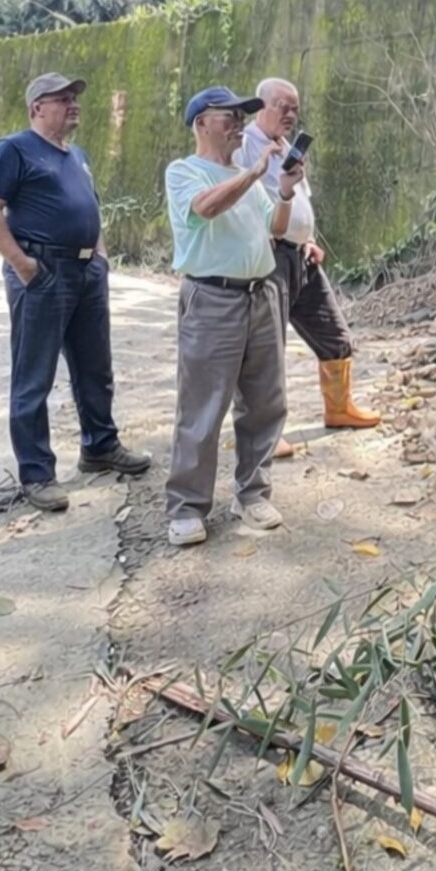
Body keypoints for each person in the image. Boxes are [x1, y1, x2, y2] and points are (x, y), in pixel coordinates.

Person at [0, 72, 150, 511]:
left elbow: (91, 206)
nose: (74, 104)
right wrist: (23, 264)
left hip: (87, 270)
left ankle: (100, 447)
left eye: (75, 98)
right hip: (43, 271)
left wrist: (101, 258)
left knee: (96, 367)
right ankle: (37, 474)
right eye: (62, 99)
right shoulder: (13, 149)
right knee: (34, 376)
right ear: (37, 107)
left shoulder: (78, 155)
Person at [162, 85, 306, 548]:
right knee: (202, 408)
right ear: (202, 122)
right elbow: (205, 209)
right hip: (212, 300)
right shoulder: (184, 172)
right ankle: (187, 507)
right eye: (231, 116)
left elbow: (276, 227)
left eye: (243, 115)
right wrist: (253, 175)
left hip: (261, 294)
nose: (240, 123)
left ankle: (252, 493)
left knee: (266, 402)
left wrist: (283, 190)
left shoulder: (245, 175)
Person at [241, 78, 381, 458]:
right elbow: (243, 202)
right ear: (261, 106)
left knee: (334, 333)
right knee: (267, 350)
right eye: (282, 106)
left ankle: (339, 408)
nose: (290, 114)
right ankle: (264, 435)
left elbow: (299, 199)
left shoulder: (289, 148)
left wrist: (308, 239)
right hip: (269, 258)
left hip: (302, 256)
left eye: (295, 108)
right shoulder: (244, 145)